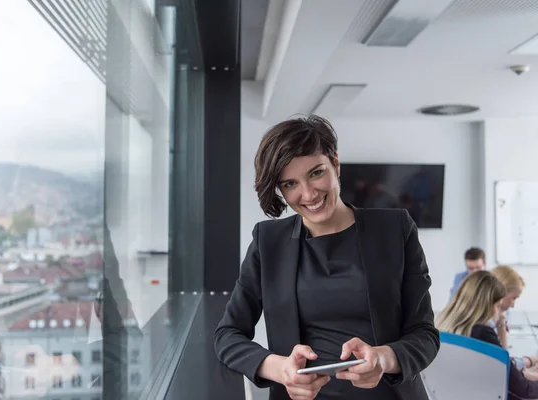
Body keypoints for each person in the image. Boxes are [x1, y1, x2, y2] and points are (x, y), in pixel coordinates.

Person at [213, 115, 439, 400]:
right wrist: (279, 368)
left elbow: (425, 335)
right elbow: (227, 335)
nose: (308, 194)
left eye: (316, 173)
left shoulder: (395, 229)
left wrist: (384, 358)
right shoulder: (268, 241)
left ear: (336, 165)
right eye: (290, 184)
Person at [437, 271, 538, 399]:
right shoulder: (482, 333)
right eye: (496, 305)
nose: (496, 311)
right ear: (486, 304)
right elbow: (524, 390)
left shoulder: (443, 328)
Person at [491, 265, 538, 373]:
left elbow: (503, 357)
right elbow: (504, 366)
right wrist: (530, 361)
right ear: (501, 292)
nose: (512, 305)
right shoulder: (484, 326)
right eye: (513, 298)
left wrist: (501, 320)